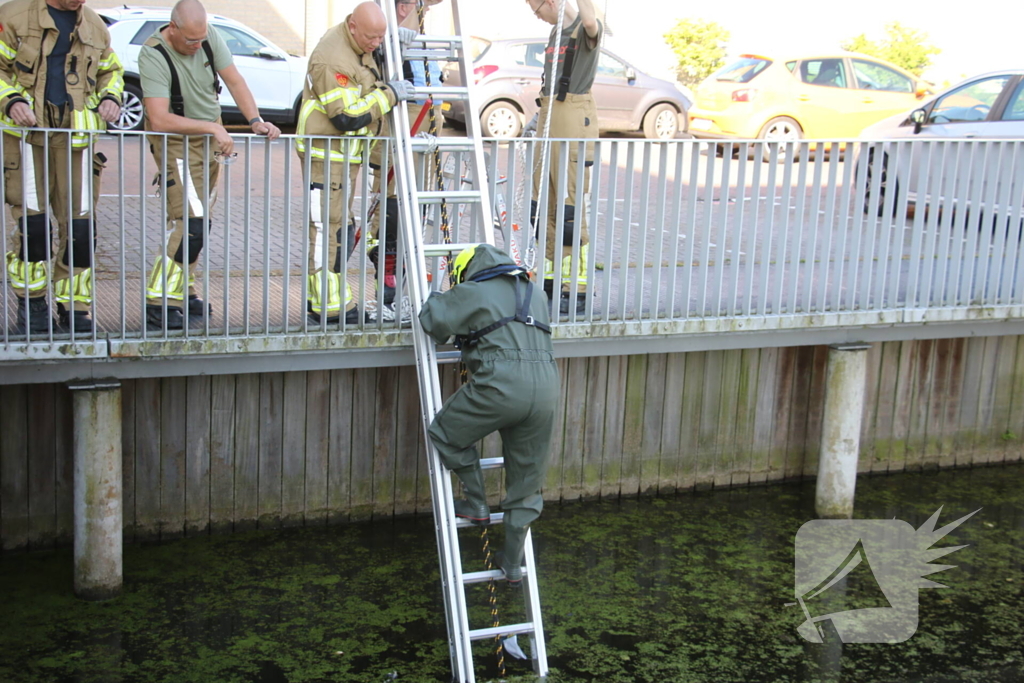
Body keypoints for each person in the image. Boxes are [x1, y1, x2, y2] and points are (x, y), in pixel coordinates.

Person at [419, 244, 559, 585]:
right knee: (526, 485)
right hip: (546, 387)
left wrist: (441, 296)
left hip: (501, 383)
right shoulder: (535, 292)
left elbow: (433, 321)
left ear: (466, 271)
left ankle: (476, 503)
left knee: (445, 433)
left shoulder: (474, 290)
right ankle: (512, 563)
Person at [139, 0, 280, 330]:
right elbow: (159, 118)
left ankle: (182, 291)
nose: (197, 46)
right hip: (178, 143)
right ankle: (159, 300)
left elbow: (234, 79)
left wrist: (255, 119)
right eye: (191, 41)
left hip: (208, 142)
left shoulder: (206, 36)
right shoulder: (153, 54)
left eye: (201, 40)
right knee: (191, 224)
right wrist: (214, 127)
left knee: (201, 224)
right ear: (173, 28)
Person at [0, 0, 124, 334]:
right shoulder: (12, 16)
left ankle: (74, 309)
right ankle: (33, 305)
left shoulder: (95, 25)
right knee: (33, 229)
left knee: (81, 232)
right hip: (25, 140)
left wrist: (111, 97)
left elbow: (111, 71)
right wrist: (10, 101)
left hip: (76, 142)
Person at [296, 1, 415, 325]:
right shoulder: (331, 57)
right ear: (352, 26)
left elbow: (367, 75)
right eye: (371, 39)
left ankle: (330, 300)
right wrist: (390, 94)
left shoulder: (358, 44)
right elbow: (347, 117)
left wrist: (389, 47)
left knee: (341, 229)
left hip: (344, 157)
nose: (375, 45)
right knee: (327, 230)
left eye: (381, 38)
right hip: (327, 154)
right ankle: (327, 306)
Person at [526, 0, 602, 315]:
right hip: (550, 114)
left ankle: (577, 287)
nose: (537, 15)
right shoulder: (554, 34)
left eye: (537, 7)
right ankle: (551, 280)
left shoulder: (582, 31)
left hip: (573, 116)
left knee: (570, 204)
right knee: (543, 201)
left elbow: (590, 21)